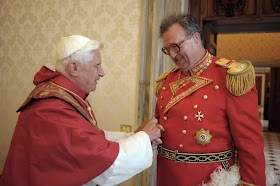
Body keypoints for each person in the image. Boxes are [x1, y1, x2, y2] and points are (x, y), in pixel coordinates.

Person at [0, 35, 164, 186]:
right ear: (74, 68)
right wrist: (144, 138)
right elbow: (102, 163)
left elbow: (88, 138)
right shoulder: (52, 107)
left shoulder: (62, 95)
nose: (102, 73)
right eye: (97, 65)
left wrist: (133, 136)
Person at [154, 13, 268, 186]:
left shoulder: (229, 77)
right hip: (167, 176)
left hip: (209, 178)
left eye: (176, 46)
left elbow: (250, 144)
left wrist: (252, 182)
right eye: (167, 49)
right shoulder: (167, 80)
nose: (171, 54)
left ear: (196, 38)